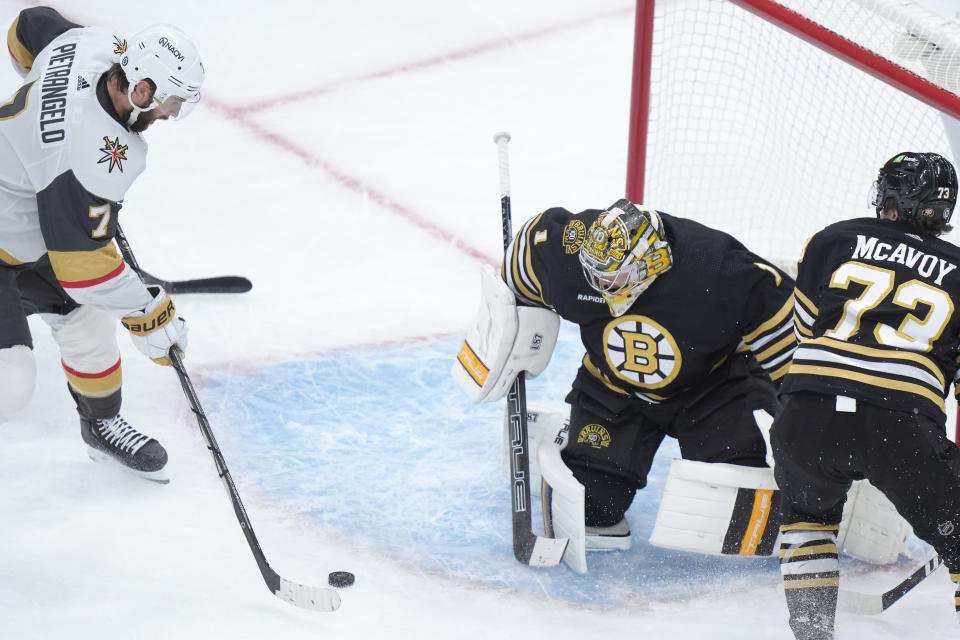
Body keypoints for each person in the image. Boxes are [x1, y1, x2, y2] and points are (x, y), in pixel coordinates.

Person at [457, 197, 798, 549]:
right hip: (612, 389)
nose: (599, 286)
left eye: (612, 278)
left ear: (652, 262)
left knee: (734, 493)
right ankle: (572, 437)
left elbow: (791, 334)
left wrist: (801, 407)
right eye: (594, 274)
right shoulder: (570, 254)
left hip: (709, 391)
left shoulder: (719, 269)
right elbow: (524, 258)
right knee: (593, 510)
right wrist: (512, 330)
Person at [0, 7, 204, 482]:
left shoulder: (95, 46)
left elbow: (27, 27)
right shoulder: (89, 153)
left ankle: (101, 425)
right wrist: (148, 311)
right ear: (141, 88)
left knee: (87, 325)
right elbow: (83, 270)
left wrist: (38, 108)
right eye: (170, 101)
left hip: (30, 225)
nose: (172, 114)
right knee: (11, 386)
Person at [771, 151, 960, 639]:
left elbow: (805, 329)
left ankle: (812, 633)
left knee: (806, 519)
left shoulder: (832, 239)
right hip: (901, 424)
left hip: (807, 413)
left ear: (892, 201)